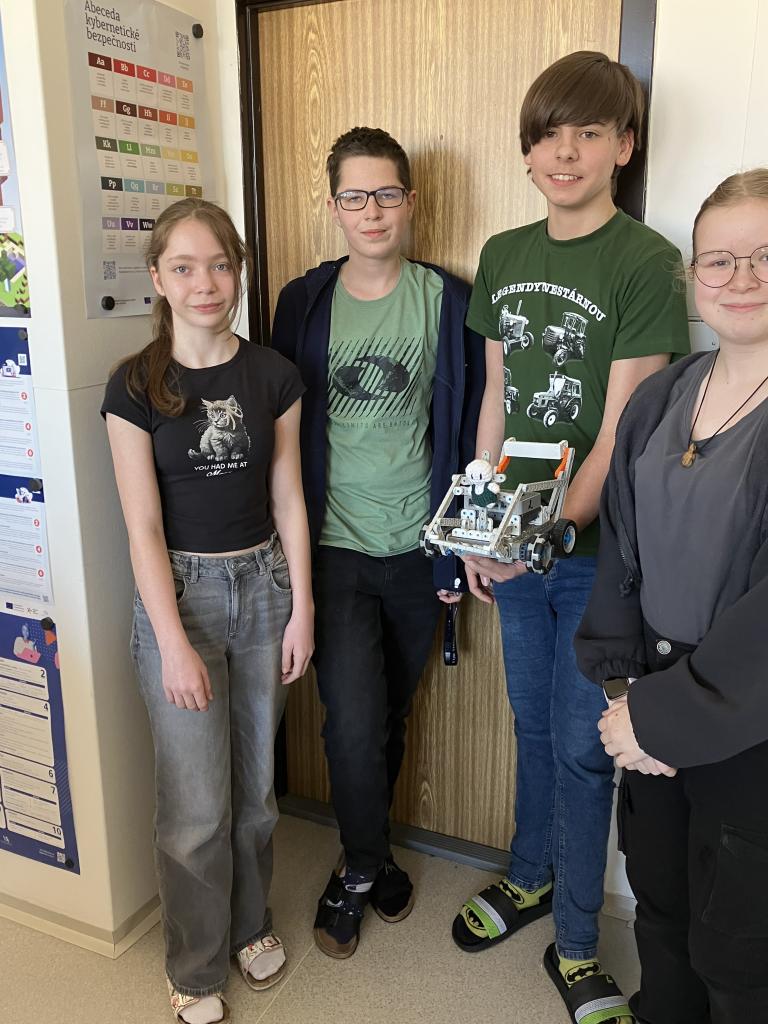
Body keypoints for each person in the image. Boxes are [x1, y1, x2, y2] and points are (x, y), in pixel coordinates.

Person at [453, 51, 690, 1024]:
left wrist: (535, 535)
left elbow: (620, 431)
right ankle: (530, 873)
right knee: (530, 724)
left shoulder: (646, 260)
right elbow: (497, 398)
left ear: (624, 146)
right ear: (527, 149)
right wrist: (482, 524)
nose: (566, 152)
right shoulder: (504, 253)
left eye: (589, 132)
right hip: (514, 546)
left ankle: (581, 943)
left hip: (597, 560)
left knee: (587, 747)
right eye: (549, 133)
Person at [271, 126, 484, 959]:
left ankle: (371, 853)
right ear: (333, 207)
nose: (372, 211)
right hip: (332, 549)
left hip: (418, 550)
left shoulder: (449, 301)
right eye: (354, 196)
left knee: (389, 713)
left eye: (386, 194)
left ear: (410, 202)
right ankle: (362, 868)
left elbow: (472, 430)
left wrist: (456, 547)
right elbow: (279, 432)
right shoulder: (303, 302)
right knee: (354, 724)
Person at [101, 198, 313, 1024]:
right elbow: (142, 528)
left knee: (256, 794)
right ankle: (194, 967)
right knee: (195, 809)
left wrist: (302, 608)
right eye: (184, 267)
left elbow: (289, 497)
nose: (205, 283)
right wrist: (171, 642)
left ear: (239, 272)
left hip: (264, 588)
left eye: (220, 265)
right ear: (158, 278)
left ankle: (250, 925)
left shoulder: (273, 376)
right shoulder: (133, 385)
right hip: (180, 597)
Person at [576, 169, 768, 1023]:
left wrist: (667, 719)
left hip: (748, 730)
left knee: (739, 949)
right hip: (647, 700)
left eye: (766, 256)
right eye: (719, 259)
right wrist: (626, 696)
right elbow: (621, 556)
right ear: (694, 274)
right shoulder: (662, 397)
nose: (741, 278)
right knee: (660, 906)